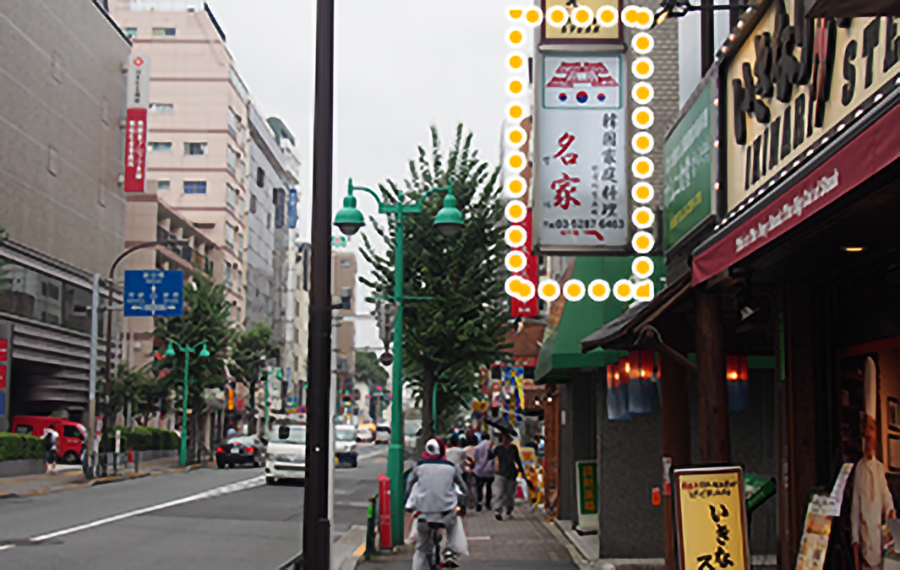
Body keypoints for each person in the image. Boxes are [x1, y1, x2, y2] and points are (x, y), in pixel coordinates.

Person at [852, 356, 896, 570]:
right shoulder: (859, 469)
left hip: (879, 532)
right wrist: (854, 541)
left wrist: (890, 510)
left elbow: (885, 493)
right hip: (865, 534)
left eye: (873, 435)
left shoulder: (879, 467)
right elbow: (855, 507)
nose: (870, 440)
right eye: (867, 435)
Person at [406, 438, 467, 569]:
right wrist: (463, 506)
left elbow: (410, 486)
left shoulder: (419, 467)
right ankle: (450, 550)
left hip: (423, 515)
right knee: (453, 525)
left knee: (421, 549)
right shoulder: (451, 467)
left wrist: (407, 503)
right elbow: (463, 488)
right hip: (445, 514)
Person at [491, 431, 525, 521]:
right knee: (499, 493)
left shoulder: (513, 448)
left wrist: (522, 471)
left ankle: (509, 510)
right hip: (501, 473)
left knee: (510, 494)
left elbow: (517, 460)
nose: (505, 440)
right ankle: (498, 511)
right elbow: (490, 457)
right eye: (503, 438)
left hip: (511, 474)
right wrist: (490, 447)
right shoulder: (498, 448)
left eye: (507, 438)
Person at [471, 433, 495, 512]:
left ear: (481, 438)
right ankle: (488, 504)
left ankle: (479, 502)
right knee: (489, 487)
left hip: (479, 471)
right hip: (490, 470)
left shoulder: (477, 447)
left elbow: (474, 460)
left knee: (479, 488)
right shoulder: (493, 447)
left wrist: (472, 467)